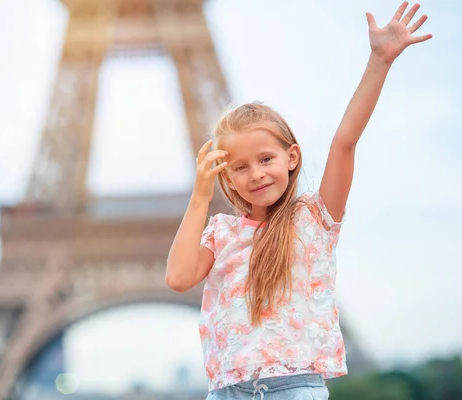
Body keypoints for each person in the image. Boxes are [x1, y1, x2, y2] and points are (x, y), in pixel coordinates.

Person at [165, 2, 432, 399]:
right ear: (228, 179)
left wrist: (379, 62)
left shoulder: (313, 219)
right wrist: (201, 195)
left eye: (266, 159)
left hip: (295, 389)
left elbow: (345, 141)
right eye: (239, 167)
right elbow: (179, 277)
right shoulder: (221, 232)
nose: (255, 173)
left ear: (291, 158)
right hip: (226, 392)